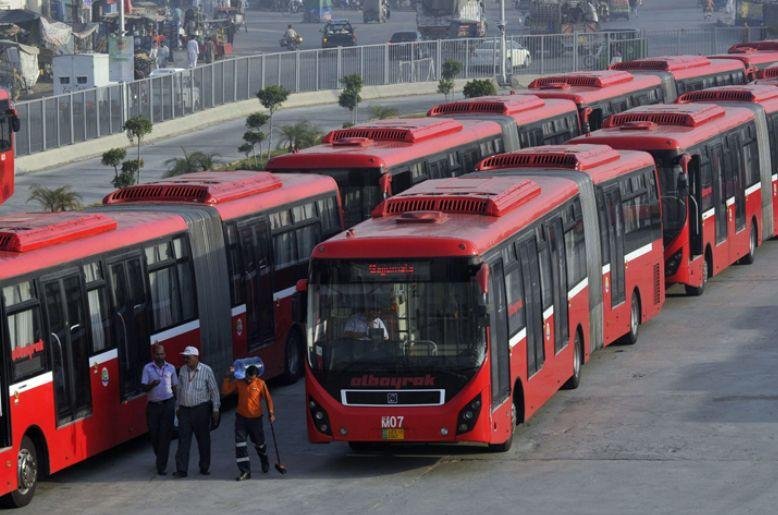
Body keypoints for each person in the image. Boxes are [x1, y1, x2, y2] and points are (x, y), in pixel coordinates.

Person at [221, 364, 275, 481]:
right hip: (241, 419)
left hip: (256, 420)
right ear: (245, 374)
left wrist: (271, 413)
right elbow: (225, 391)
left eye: (252, 379)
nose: (249, 380)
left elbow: (268, 399)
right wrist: (226, 377)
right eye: (248, 378)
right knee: (240, 445)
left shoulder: (261, 384)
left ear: (256, 377)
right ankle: (245, 471)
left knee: (259, 444)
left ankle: (264, 460)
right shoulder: (239, 382)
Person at [174, 346, 220, 478]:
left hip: (201, 410)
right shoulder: (183, 370)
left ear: (196, 357)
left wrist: (215, 409)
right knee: (183, 441)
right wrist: (177, 407)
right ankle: (182, 469)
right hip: (185, 410)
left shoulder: (206, 370)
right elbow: (179, 389)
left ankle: (204, 467)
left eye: (188, 357)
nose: (185, 360)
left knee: (203, 440)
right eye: (184, 357)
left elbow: (214, 391)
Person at [141, 343, 178, 475]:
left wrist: (178, 404)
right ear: (154, 355)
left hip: (168, 404)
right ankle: (160, 456)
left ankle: (161, 466)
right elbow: (144, 388)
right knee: (154, 435)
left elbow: (175, 386)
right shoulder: (147, 368)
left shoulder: (171, 368)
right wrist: (152, 385)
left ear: (165, 354)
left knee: (165, 435)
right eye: (157, 354)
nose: (160, 356)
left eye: (162, 354)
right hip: (153, 406)